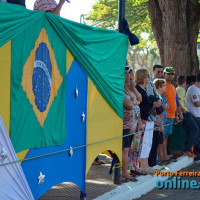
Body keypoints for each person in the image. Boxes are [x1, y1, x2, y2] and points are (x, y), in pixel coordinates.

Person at [135, 68, 156, 174]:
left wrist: (153, 104)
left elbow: (145, 105)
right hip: (143, 120)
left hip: (147, 119)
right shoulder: (138, 89)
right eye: (148, 76)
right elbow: (139, 107)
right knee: (144, 143)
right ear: (143, 77)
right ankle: (143, 166)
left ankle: (146, 164)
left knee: (148, 142)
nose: (150, 77)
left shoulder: (144, 89)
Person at [176, 76, 199, 157]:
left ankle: (191, 149)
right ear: (184, 83)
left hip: (187, 113)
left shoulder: (180, 89)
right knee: (195, 129)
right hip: (185, 113)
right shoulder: (181, 89)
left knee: (196, 130)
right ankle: (188, 149)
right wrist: (183, 112)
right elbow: (177, 102)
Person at [122, 66, 137, 182]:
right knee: (124, 150)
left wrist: (134, 102)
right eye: (126, 74)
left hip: (128, 126)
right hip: (122, 126)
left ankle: (124, 172)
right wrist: (134, 103)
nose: (128, 76)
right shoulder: (119, 89)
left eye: (129, 74)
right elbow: (130, 104)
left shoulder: (127, 88)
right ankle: (123, 173)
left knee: (126, 149)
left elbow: (137, 99)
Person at [148, 79, 166, 167]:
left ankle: (154, 161)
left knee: (157, 141)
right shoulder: (153, 96)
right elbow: (156, 111)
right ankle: (151, 162)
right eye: (164, 85)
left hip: (159, 123)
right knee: (152, 143)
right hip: (155, 123)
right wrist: (160, 124)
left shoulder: (158, 97)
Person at [162, 67, 178, 162]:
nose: (170, 75)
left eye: (172, 74)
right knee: (163, 137)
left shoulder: (173, 87)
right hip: (165, 116)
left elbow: (175, 103)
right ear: (164, 74)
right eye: (168, 73)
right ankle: (163, 156)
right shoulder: (163, 86)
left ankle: (166, 155)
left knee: (167, 136)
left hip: (172, 116)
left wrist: (176, 116)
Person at [186, 73, 200, 160]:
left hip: (198, 115)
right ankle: (190, 150)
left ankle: (197, 154)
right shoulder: (193, 89)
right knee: (196, 134)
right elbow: (197, 103)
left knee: (198, 136)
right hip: (194, 115)